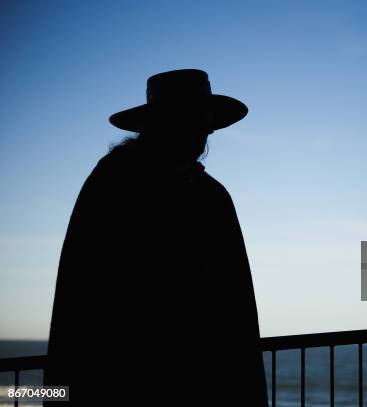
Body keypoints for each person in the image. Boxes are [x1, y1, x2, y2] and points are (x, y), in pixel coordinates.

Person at [44, 69, 268, 405]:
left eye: (204, 120)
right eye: (194, 118)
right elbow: (88, 293)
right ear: (165, 121)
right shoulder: (117, 183)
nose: (204, 129)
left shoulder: (209, 193)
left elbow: (231, 301)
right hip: (130, 381)